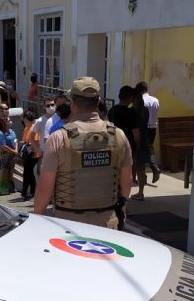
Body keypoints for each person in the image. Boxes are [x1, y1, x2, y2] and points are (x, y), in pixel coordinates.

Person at [34, 77, 133, 229]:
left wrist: (37, 219)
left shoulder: (58, 138)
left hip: (68, 226)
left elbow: (44, 188)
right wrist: (123, 208)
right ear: (98, 101)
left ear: (72, 102)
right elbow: (127, 181)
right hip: (108, 224)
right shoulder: (119, 136)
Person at [107, 86, 141, 189]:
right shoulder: (131, 113)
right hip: (128, 145)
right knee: (127, 170)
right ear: (130, 98)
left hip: (114, 143)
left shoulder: (112, 110)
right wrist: (138, 145)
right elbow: (136, 132)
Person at [136, 81, 161, 182]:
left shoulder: (140, 101)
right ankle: (146, 174)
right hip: (153, 127)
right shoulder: (155, 100)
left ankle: (154, 169)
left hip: (143, 127)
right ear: (147, 89)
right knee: (149, 147)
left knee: (142, 150)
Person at [130, 90, 151, 201]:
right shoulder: (145, 111)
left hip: (135, 140)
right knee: (141, 168)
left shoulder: (133, 111)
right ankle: (141, 191)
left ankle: (138, 192)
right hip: (144, 140)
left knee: (134, 166)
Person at [0, 115, 18, 195]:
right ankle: (3, 189)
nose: (10, 122)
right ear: (4, 123)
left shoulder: (12, 131)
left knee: (11, 171)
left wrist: (16, 150)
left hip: (13, 154)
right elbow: (3, 146)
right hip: (5, 154)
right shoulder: (0, 133)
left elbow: (15, 140)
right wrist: (13, 151)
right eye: (8, 121)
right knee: (4, 171)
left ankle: (10, 187)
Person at [20, 111, 38, 200]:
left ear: (26, 118)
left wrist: (27, 144)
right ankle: (32, 191)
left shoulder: (34, 128)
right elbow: (24, 140)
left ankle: (24, 192)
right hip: (27, 154)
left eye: (24, 118)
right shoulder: (26, 128)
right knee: (29, 173)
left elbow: (36, 141)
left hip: (34, 153)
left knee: (27, 172)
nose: (23, 119)